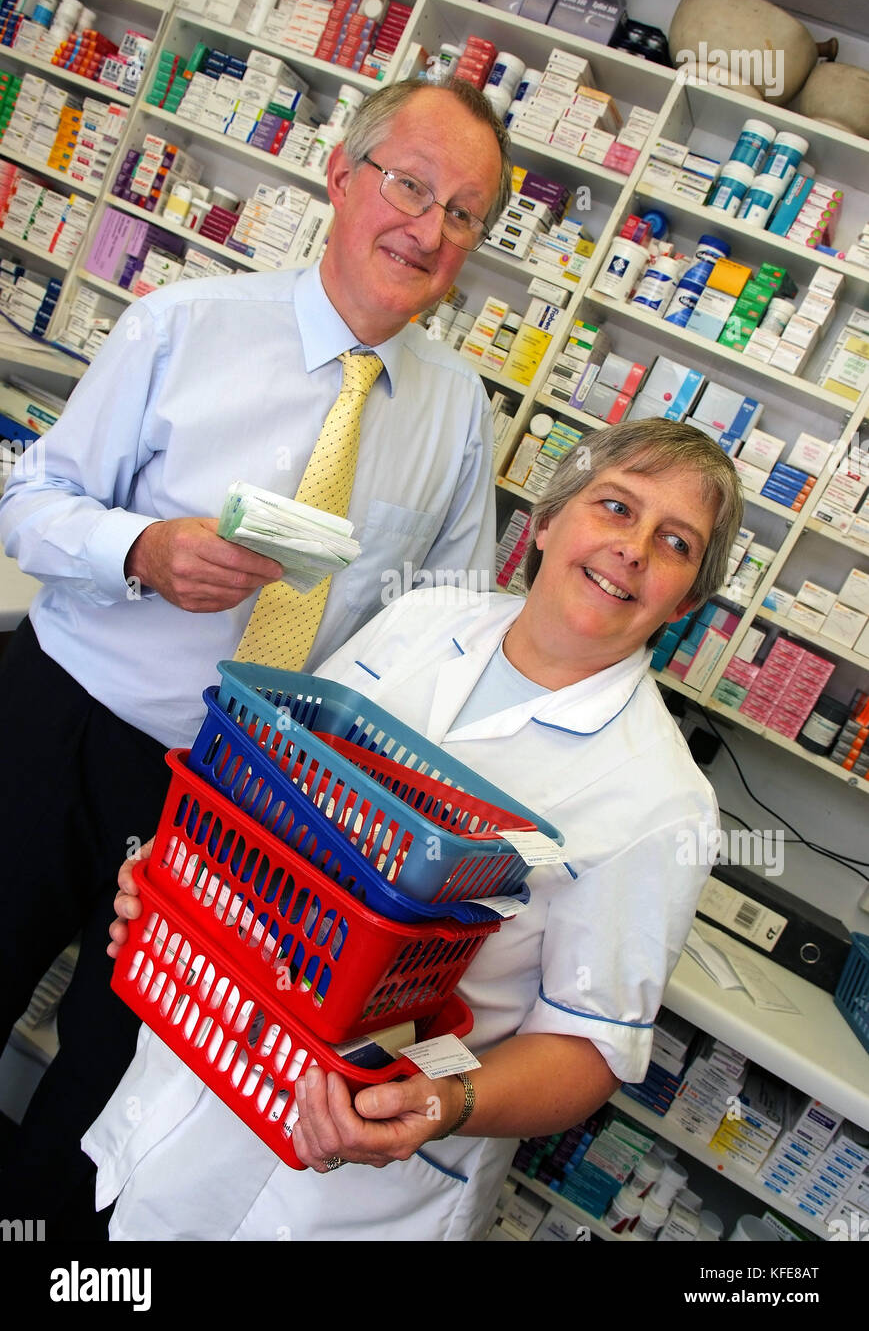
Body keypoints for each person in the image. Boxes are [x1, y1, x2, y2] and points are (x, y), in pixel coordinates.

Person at [0, 77, 511, 1236]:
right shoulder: (183, 323)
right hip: (62, 721)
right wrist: (142, 548)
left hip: (240, 811)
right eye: (407, 186)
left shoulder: (456, 409)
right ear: (340, 178)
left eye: (462, 215)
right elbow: (28, 502)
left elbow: (444, 619)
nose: (426, 230)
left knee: (116, 1078)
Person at [87, 417, 743, 1241]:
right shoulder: (424, 616)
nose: (633, 547)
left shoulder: (661, 801)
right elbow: (269, 807)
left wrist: (441, 1101)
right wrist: (169, 889)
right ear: (545, 521)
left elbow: (590, 1047)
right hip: (206, 1052)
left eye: (675, 542)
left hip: (343, 1174)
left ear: (684, 602)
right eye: (615, 506)